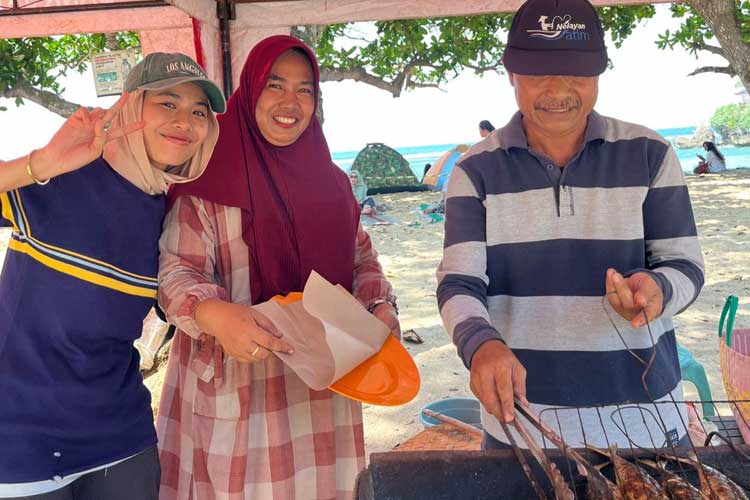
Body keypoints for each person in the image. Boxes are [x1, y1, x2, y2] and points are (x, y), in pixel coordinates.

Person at [437, 0, 704, 451]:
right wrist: (480, 344)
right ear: (511, 74)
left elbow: (686, 266)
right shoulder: (473, 172)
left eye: (576, 73)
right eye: (540, 73)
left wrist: (656, 290)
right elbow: (459, 283)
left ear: (599, 73)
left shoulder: (650, 154)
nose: (559, 90)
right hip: (522, 432)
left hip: (650, 424)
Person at [156, 35, 399, 500]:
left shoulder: (331, 184)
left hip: (322, 385)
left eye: (305, 89)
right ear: (250, 92)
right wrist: (216, 314)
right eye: (275, 85)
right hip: (237, 386)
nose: (291, 102)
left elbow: (361, 259)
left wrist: (378, 303)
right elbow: (175, 272)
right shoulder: (207, 176)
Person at [0, 52, 224, 500]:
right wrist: (40, 162)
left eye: (199, 111)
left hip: (122, 437)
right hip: (21, 436)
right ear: (131, 107)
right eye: (167, 103)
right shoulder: (64, 178)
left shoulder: (171, 212)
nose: (185, 121)